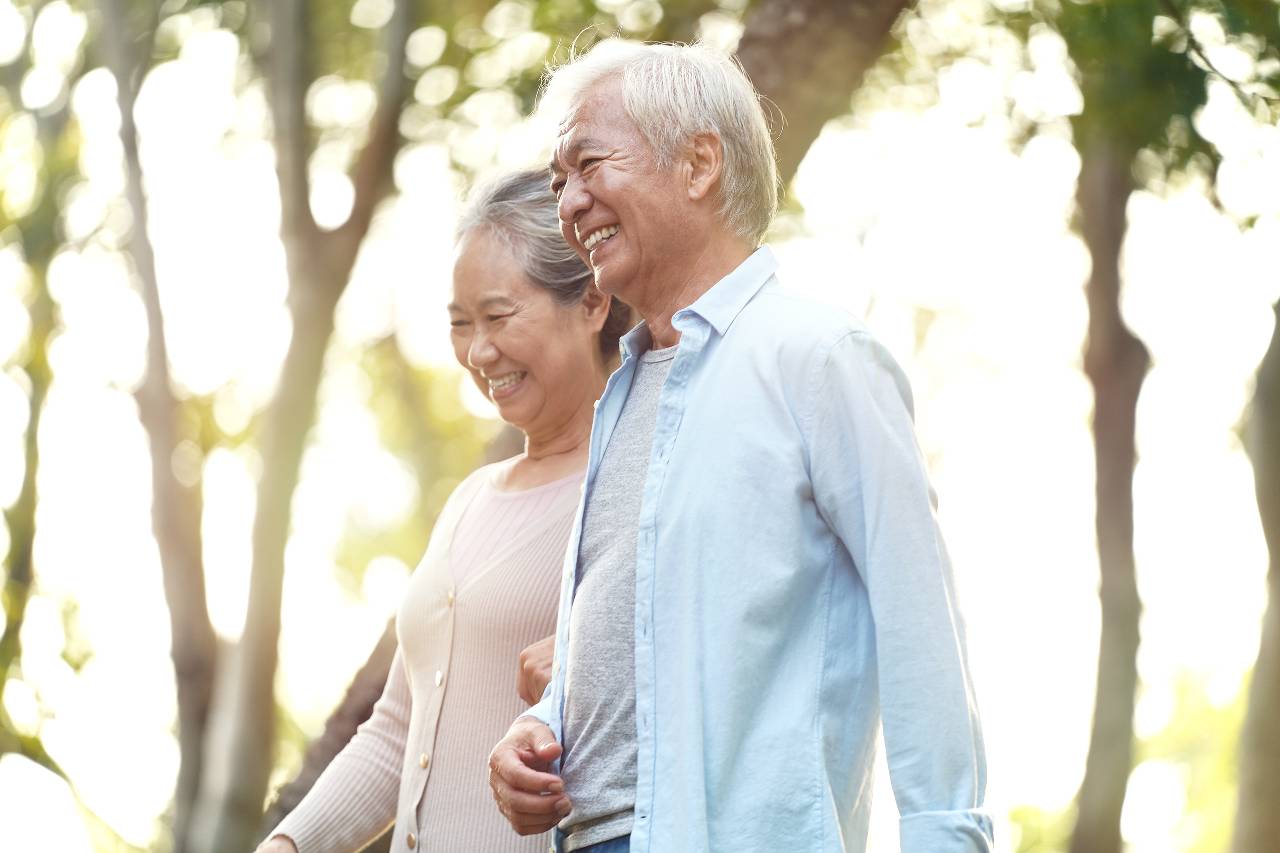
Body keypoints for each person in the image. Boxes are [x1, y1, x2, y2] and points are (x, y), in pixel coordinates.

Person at [487, 41, 993, 853]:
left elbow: (920, 621)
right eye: (558, 184)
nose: (570, 204)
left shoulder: (817, 357)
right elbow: (650, 632)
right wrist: (542, 724)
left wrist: (946, 839)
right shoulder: (621, 391)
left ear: (697, 164)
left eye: (588, 166)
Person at [257, 169, 630, 853]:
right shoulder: (470, 501)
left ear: (593, 302)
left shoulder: (628, 494)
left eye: (498, 316)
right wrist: (289, 843)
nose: (478, 351)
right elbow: (398, 729)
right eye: (460, 324)